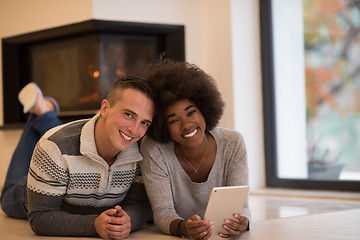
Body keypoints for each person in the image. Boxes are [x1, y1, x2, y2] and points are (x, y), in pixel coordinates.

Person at [1, 76, 154, 239]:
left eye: (145, 122)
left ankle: (43, 111)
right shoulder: (53, 147)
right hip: (28, 191)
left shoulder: (142, 152)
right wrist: (93, 224)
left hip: (65, 163)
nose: (134, 130)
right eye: (129, 114)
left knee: (66, 143)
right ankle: (41, 112)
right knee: (6, 197)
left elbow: (139, 205)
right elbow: (40, 216)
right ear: (104, 108)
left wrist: (128, 220)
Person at [140, 60, 251, 240]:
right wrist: (184, 228)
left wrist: (243, 222)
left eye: (191, 112)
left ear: (204, 109)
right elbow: (162, 212)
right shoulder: (155, 150)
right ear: (163, 126)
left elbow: (242, 206)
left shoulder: (232, 143)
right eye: (173, 120)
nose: (186, 125)